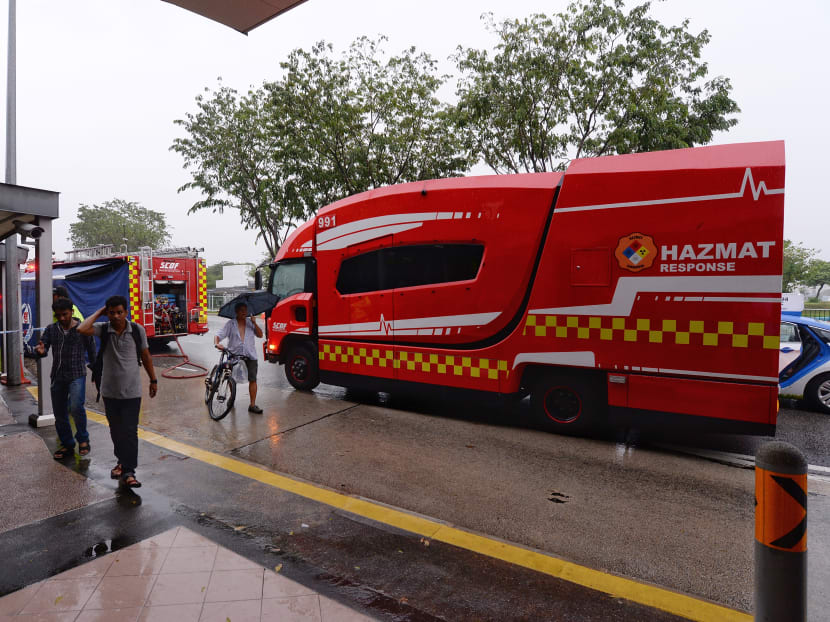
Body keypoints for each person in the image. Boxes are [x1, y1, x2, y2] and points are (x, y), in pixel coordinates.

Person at [78, 295, 158, 488]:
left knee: (130, 432)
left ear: (126, 312)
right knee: (116, 431)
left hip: (132, 392)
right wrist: (100, 312)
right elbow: (81, 328)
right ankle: (121, 462)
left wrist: (153, 380)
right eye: (112, 312)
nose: (115, 316)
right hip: (109, 392)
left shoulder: (137, 330)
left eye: (119, 312)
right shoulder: (104, 329)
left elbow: (146, 356)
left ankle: (129, 471)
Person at [35, 297, 97, 459]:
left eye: (65, 314)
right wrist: (40, 351)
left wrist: (96, 371)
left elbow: (92, 351)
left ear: (71, 312)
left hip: (77, 374)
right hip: (58, 375)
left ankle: (83, 439)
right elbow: (44, 348)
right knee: (60, 413)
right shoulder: (51, 329)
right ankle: (67, 444)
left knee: (76, 406)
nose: (62, 318)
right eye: (58, 315)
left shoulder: (82, 329)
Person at [214, 302, 264, 413]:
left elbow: (260, 335)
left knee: (253, 379)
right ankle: (232, 399)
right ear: (236, 311)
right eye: (241, 310)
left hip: (250, 356)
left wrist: (255, 323)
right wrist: (217, 343)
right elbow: (218, 335)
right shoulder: (230, 324)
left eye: (245, 310)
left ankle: (252, 405)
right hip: (234, 356)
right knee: (232, 379)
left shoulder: (250, 323)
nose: (244, 312)